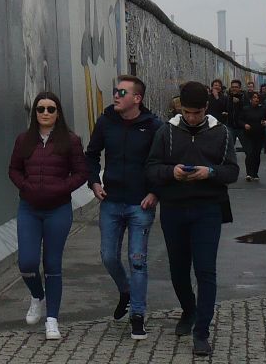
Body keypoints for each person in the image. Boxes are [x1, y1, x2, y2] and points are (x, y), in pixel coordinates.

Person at [145, 81, 239, 357]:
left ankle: (201, 331)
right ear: (180, 109)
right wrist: (170, 172)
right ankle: (189, 309)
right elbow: (151, 168)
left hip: (208, 209)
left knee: (206, 270)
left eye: (196, 113)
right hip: (174, 207)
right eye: (187, 112)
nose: (191, 117)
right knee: (177, 268)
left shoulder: (222, 133)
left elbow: (232, 171)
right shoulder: (167, 131)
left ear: (206, 109)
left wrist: (209, 173)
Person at [84, 75, 162, 341]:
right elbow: (91, 156)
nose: (115, 95)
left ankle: (138, 315)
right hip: (111, 202)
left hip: (141, 203)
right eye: (115, 91)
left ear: (136, 98)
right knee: (108, 256)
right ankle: (126, 291)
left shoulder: (153, 126)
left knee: (137, 260)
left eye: (121, 92)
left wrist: (155, 192)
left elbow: (163, 162)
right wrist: (94, 182)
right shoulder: (106, 122)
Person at [9, 90, 88, 341]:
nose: (45, 113)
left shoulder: (71, 141)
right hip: (29, 209)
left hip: (58, 209)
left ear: (58, 113)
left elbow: (81, 173)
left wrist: (61, 188)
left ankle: (52, 319)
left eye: (50, 109)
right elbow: (13, 169)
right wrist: (25, 186)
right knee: (27, 262)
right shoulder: (24, 140)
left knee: (52, 264)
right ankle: (37, 296)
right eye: (40, 109)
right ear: (35, 113)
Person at [237, 90, 266, 182]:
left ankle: (255, 173)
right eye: (254, 97)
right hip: (248, 135)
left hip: (259, 134)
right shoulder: (246, 109)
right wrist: (244, 125)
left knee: (256, 154)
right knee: (249, 153)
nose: (256, 99)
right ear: (251, 99)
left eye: (258, 98)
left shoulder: (262, 109)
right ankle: (249, 173)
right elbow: (239, 120)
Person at [224, 80, 246, 151]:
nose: (234, 88)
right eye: (232, 87)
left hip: (241, 127)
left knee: (248, 149)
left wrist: (239, 103)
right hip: (230, 126)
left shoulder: (244, 97)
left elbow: (247, 110)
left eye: (236, 87)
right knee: (229, 150)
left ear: (240, 88)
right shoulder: (228, 97)